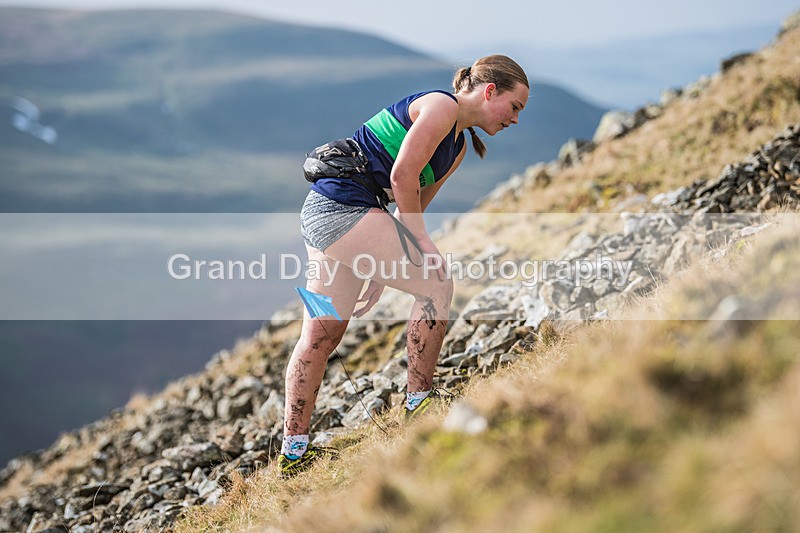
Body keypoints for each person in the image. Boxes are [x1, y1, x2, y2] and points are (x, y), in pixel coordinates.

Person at [279, 55, 529, 477]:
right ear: (490, 92)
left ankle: (293, 452)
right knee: (436, 286)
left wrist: (381, 267)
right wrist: (421, 244)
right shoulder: (440, 107)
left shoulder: (458, 148)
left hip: (338, 214)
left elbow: (410, 203)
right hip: (340, 208)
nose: (515, 119)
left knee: (322, 334)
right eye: (515, 106)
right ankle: (419, 402)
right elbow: (401, 178)